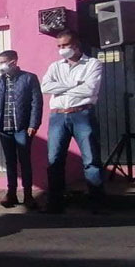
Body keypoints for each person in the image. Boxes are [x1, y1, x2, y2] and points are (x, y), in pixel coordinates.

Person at [41, 31, 105, 213]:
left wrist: (62, 89)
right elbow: (45, 87)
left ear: (76, 45)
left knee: (91, 159)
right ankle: (55, 202)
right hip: (58, 116)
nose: (62, 49)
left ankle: (97, 203)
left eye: (65, 45)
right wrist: (76, 85)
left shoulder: (93, 64)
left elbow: (90, 89)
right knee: (54, 160)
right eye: (59, 46)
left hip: (82, 114)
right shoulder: (55, 66)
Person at [0, 50, 43, 209]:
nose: (1, 66)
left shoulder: (28, 78)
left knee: (25, 161)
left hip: (22, 128)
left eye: (4, 62)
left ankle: (28, 195)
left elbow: (36, 103)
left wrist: (33, 124)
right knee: (10, 162)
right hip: (4, 128)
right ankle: (11, 193)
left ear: (14, 62)